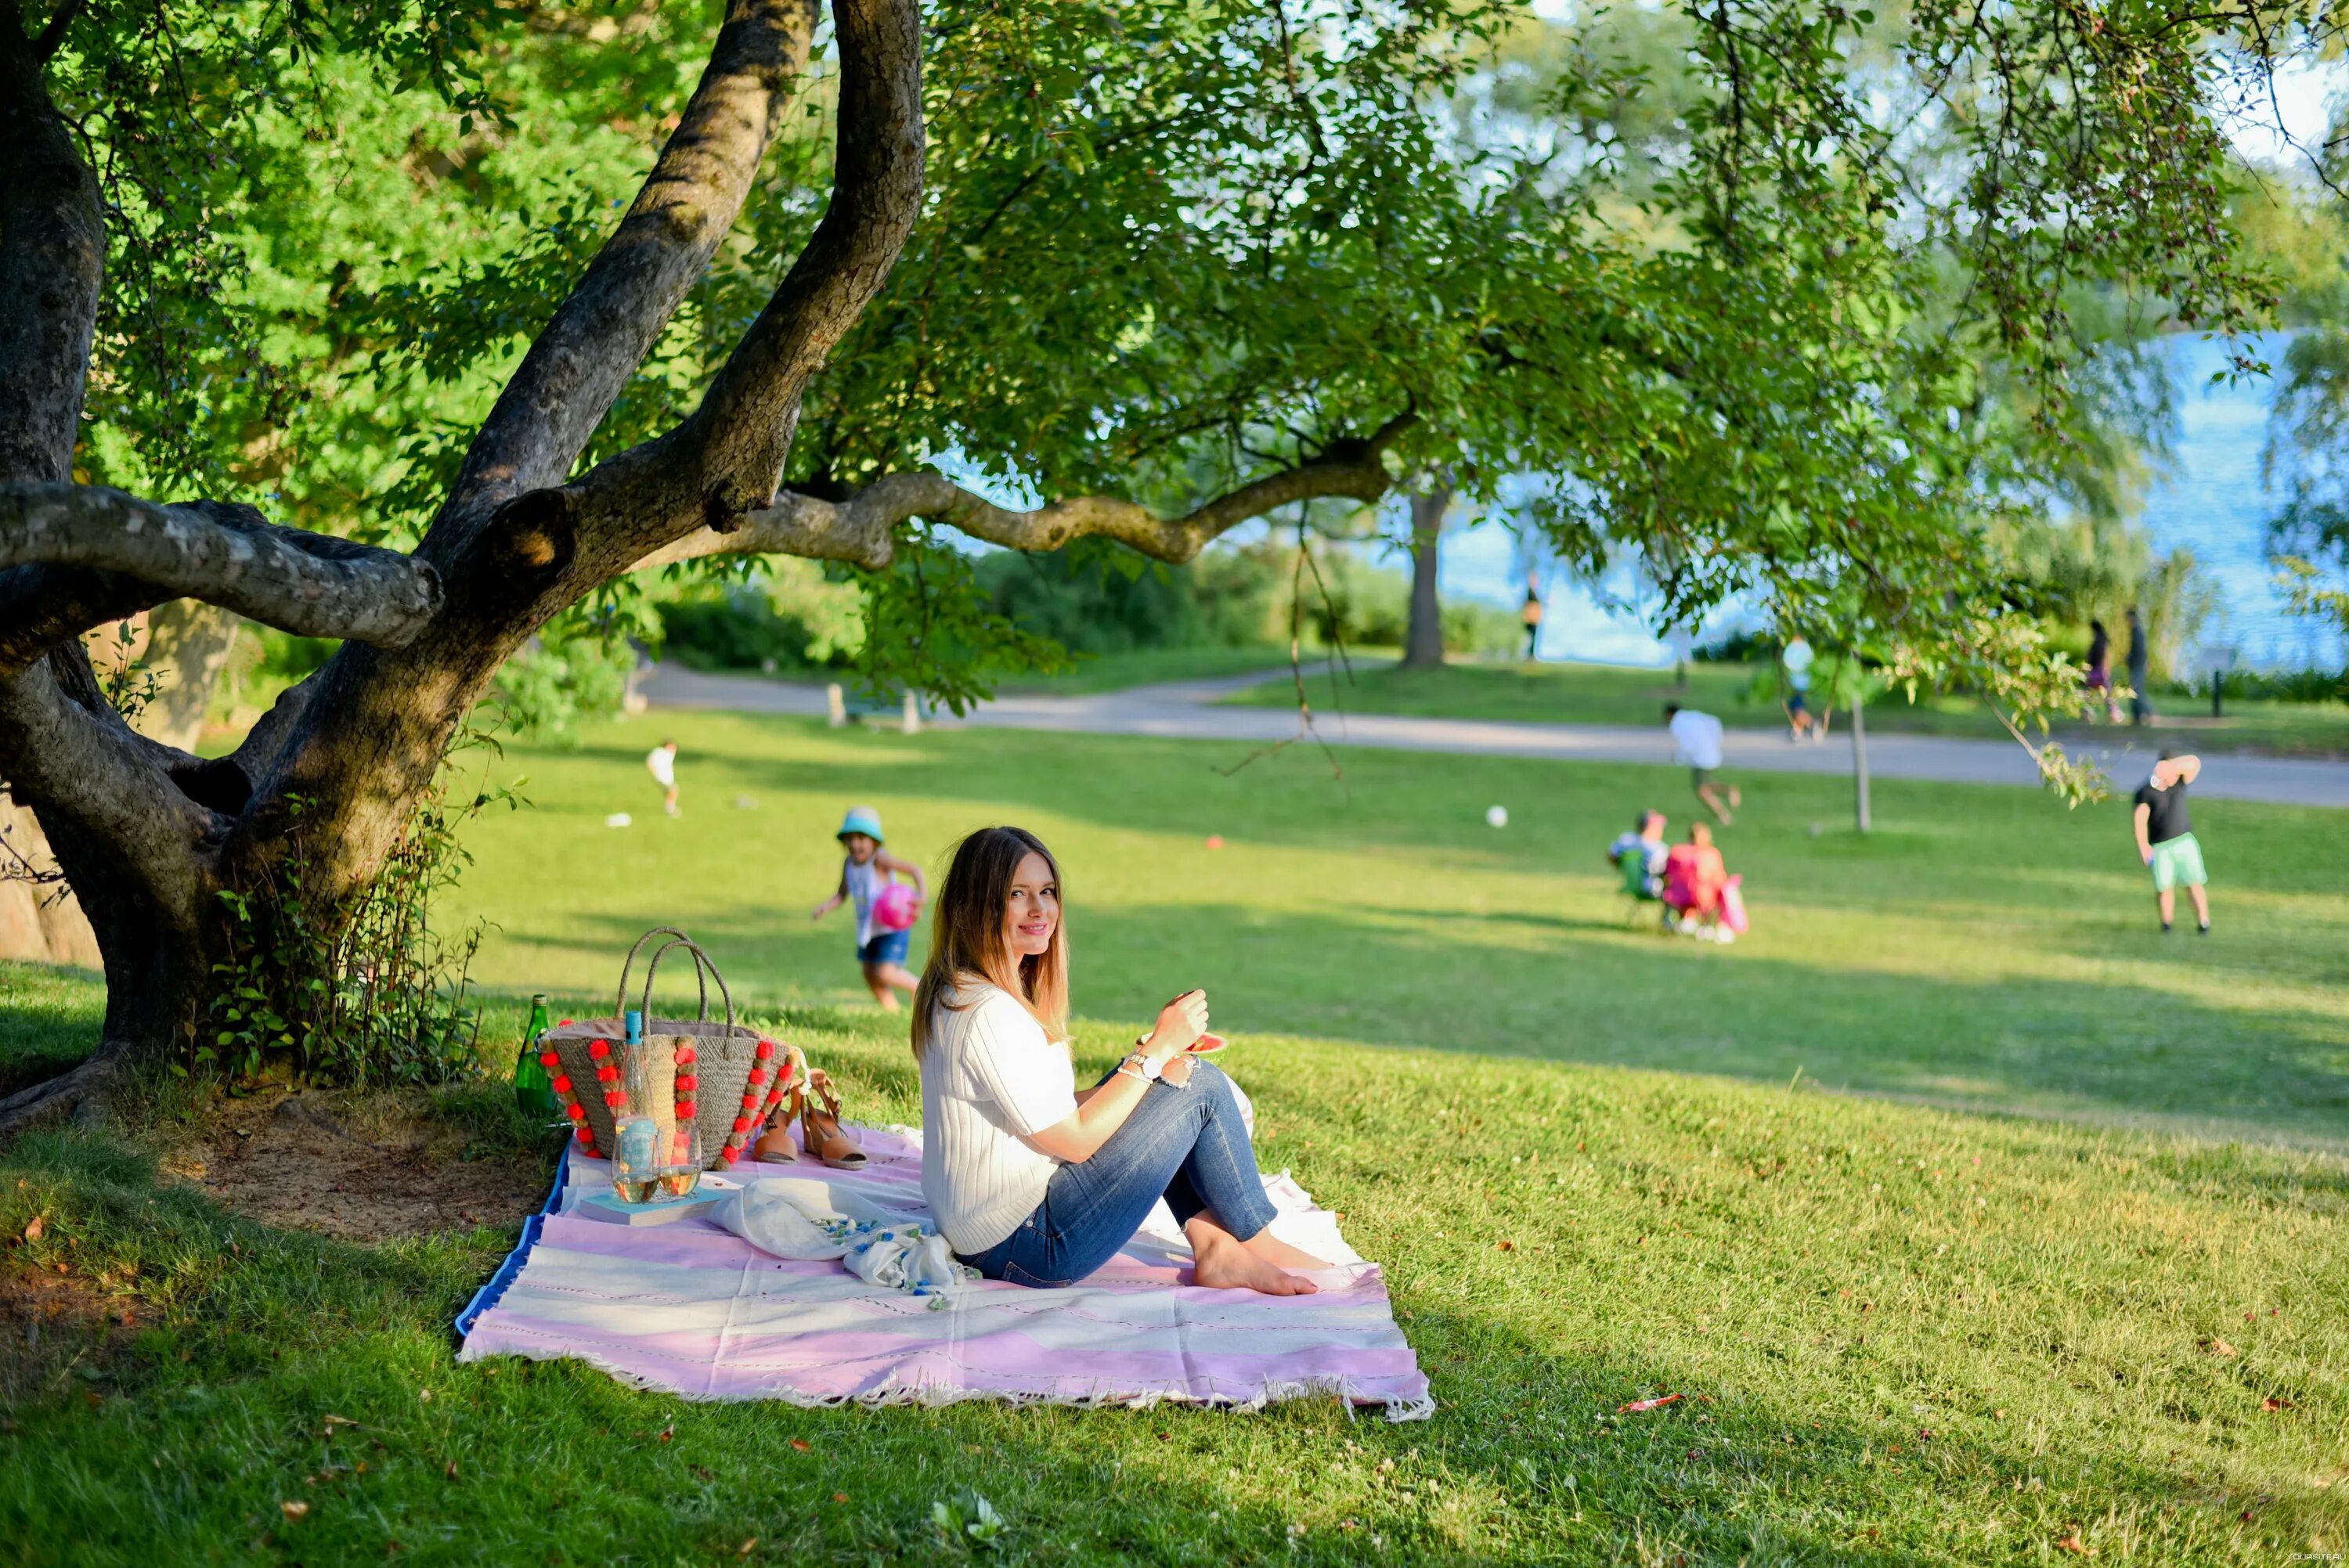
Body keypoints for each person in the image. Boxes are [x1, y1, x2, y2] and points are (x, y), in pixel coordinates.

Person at [915, 826, 1327, 1295]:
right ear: (977, 906)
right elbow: (1074, 1141)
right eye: (1017, 894)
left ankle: (1216, 1248)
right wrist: (1155, 1053)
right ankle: (1260, 1243)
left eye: (1047, 892)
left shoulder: (961, 990)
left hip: (988, 1228)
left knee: (1162, 1082)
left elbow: (1042, 1113)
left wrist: (1150, 1066)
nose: (1040, 909)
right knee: (1201, 1089)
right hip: (1026, 1244)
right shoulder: (990, 1013)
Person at [810, 806, 928, 1011]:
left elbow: (914, 870)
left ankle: (918, 987)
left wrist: (922, 896)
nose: (855, 844)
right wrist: (825, 908)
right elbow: (842, 894)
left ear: (874, 841)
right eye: (850, 838)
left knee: (885, 972)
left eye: (861, 838)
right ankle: (892, 1011)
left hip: (891, 927)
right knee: (869, 973)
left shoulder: (879, 860)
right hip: (868, 929)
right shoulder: (849, 864)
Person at [2132, 751, 2210, 934]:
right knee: (2164, 887)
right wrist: (2143, 846)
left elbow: (2194, 762)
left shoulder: (2179, 783)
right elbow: (2140, 820)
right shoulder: (2146, 791)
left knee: (2194, 882)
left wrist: (2173, 766)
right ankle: (2166, 924)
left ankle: (2203, 922)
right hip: (2161, 846)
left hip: (2185, 842)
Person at [1664, 702, 1741, 824]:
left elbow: (1686, 745)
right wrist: (1716, 741)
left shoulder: (1676, 724)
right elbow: (1715, 722)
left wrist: (1678, 758)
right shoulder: (1692, 715)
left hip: (1700, 759)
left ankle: (1725, 807)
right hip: (1712, 753)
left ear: (1669, 715)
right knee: (1704, 787)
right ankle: (1724, 812)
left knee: (1702, 790)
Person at [1663, 822, 1732, 941]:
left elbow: (1667, 873)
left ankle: (1685, 920)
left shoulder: (1677, 852)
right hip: (1702, 897)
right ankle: (1720, 926)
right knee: (1727, 891)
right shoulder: (1711, 854)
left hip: (1677, 895)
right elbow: (1720, 878)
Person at [1607, 810, 1669, 897]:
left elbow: (1611, 855)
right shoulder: (1659, 848)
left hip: (1630, 886)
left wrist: (1624, 867)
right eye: (1658, 827)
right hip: (1652, 889)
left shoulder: (1626, 840)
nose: (1661, 830)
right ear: (1650, 827)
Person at [1782, 635, 1820, 742]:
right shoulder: (1802, 649)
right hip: (1795, 684)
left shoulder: (1802, 649)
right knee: (1794, 708)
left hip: (1801, 685)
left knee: (1798, 709)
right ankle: (1797, 731)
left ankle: (1812, 724)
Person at [2084, 619, 2122, 723]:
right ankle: (2114, 713)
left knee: (2089, 692)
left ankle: (2087, 712)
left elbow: (2095, 657)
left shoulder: (2098, 641)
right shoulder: (2103, 640)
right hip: (2102, 671)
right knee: (2107, 694)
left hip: (2096, 670)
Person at [2124, 607, 2153, 726]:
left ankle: (2148, 712)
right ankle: (2137, 717)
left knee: (2136, 691)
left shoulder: (2137, 632)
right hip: (2137, 665)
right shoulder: (2136, 631)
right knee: (2134, 691)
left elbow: (2140, 651)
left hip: (2137, 666)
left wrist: (2131, 659)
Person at [644, 739, 680, 817]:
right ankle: (669, 809)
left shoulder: (670, 754)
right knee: (673, 790)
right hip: (661, 777)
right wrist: (654, 772)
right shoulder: (659, 752)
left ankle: (670, 808)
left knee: (670, 793)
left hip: (667, 778)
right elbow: (650, 762)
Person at [1521, 577, 1544, 661]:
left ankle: (1531, 655)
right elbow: (1533, 602)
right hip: (1530, 619)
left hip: (1534, 619)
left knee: (1532, 637)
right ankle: (1527, 654)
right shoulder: (1530, 592)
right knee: (1529, 637)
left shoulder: (1534, 592)